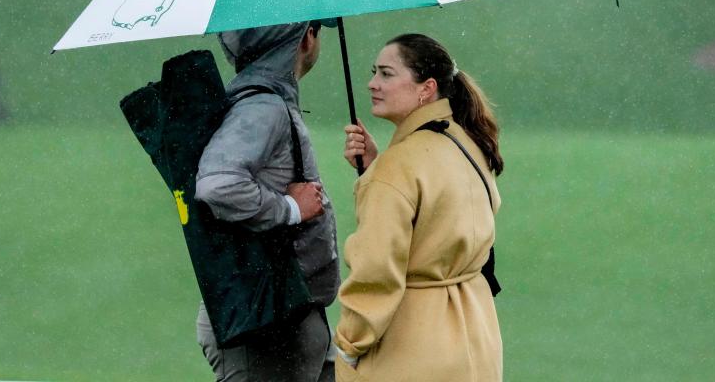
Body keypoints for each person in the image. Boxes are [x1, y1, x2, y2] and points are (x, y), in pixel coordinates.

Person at [335, 34, 504, 381]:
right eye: (373, 72)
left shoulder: (398, 168)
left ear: (426, 88)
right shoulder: (466, 140)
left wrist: (348, 346)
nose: (372, 83)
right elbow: (442, 221)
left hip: (413, 349)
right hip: (478, 338)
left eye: (386, 73)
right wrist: (375, 169)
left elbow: (375, 272)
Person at [194, 21, 340, 382]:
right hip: (266, 319)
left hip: (285, 310)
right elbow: (217, 185)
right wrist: (289, 209)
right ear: (306, 38)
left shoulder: (266, 100)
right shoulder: (264, 107)